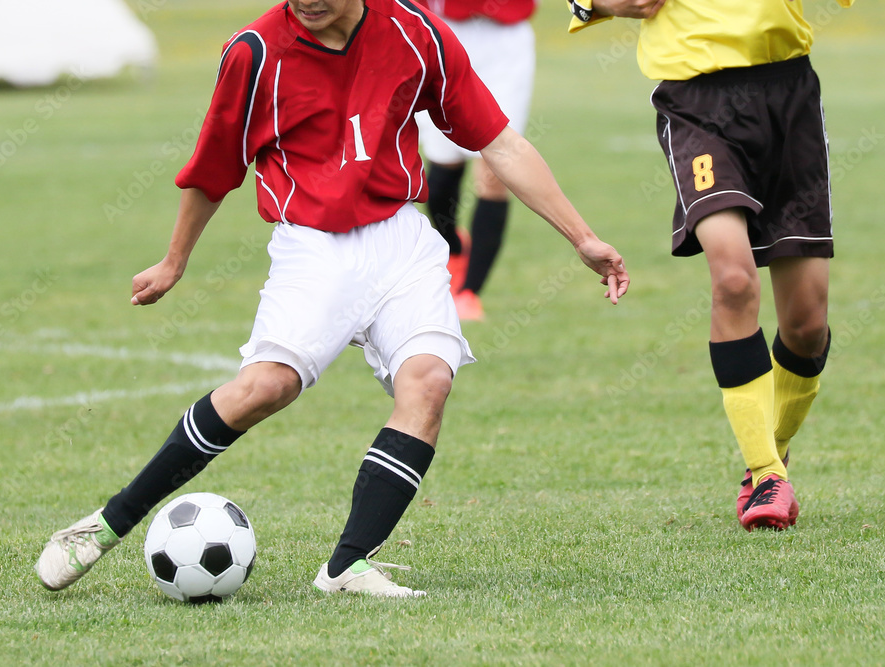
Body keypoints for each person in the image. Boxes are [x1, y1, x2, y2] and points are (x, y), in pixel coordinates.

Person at [35, 0, 629, 598]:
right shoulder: (255, 52)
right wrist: (174, 261)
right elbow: (214, 170)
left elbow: (500, 143)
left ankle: (347, 565)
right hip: (312, 248)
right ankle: (104, 526)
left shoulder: (414, 30)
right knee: (265, 387)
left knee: (428, 382)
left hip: (400, 238)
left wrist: (583, 237)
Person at [568, 0, 855, 531]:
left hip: (788, 93)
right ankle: (769, 475)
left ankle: (765, 458)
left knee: (807, 326)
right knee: (732, 279)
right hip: (696, 100)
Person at [415, 0, 538, 321]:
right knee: (443, 169)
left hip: (504, 38)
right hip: (443, 30)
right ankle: (454, 247)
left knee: (497, 169)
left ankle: (470, 293)